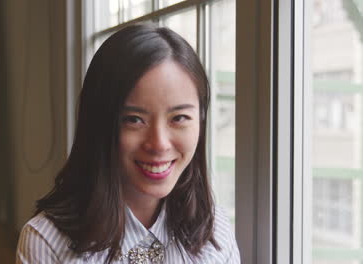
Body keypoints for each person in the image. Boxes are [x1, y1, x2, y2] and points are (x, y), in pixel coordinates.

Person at [16, 24, 240, 264]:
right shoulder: (47, 242)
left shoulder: (214, 232)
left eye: (179, 118)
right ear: (99, 124)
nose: (159, 144)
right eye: (134, 120)